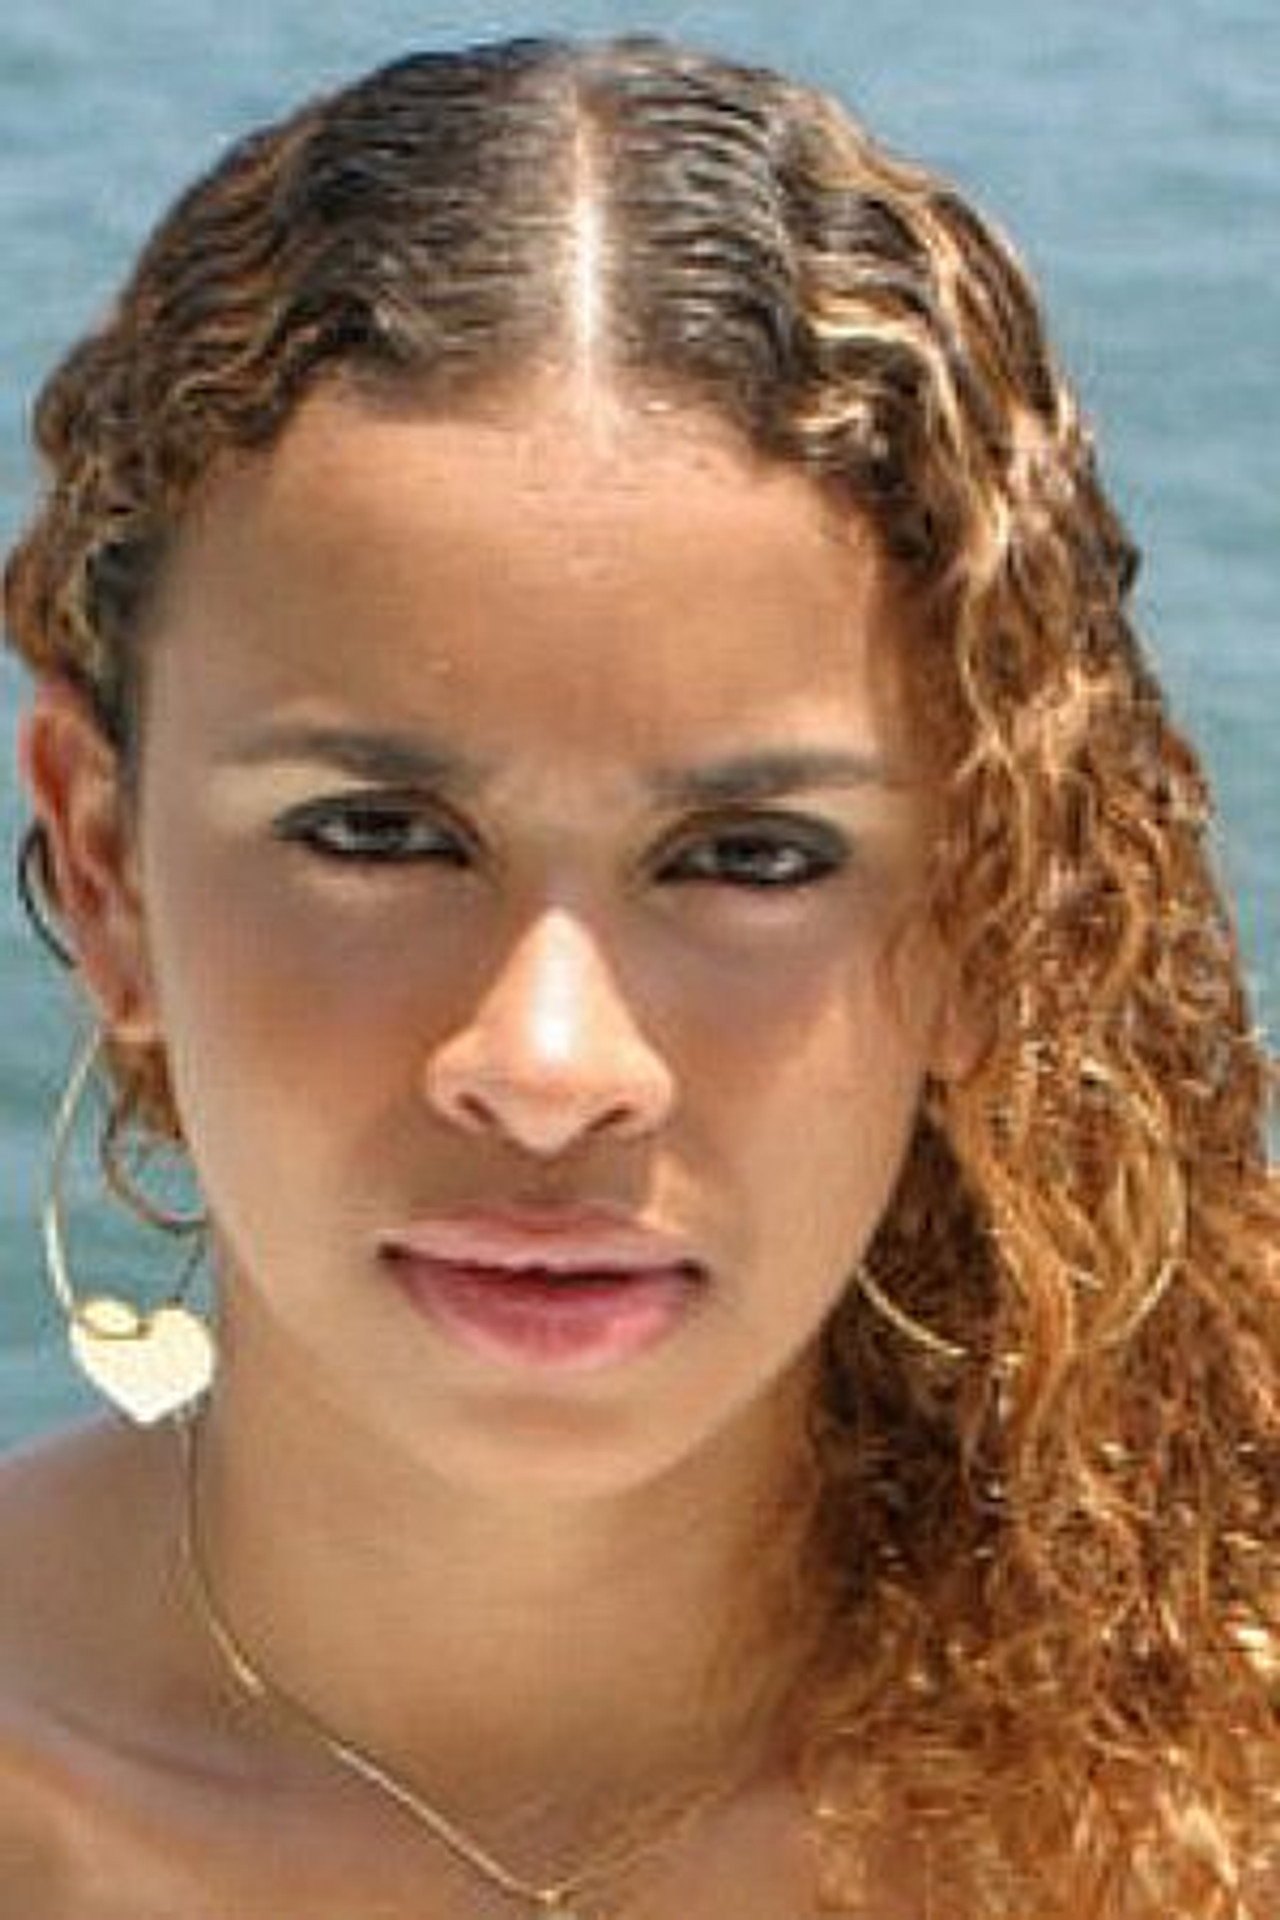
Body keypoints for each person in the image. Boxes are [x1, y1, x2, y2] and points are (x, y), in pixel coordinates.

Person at [1, 31, 1276, 1919]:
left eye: (752, 858)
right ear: (105, 868)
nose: (547, 1061)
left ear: (984, 910)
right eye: (376, 833)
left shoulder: (1219, 1782)